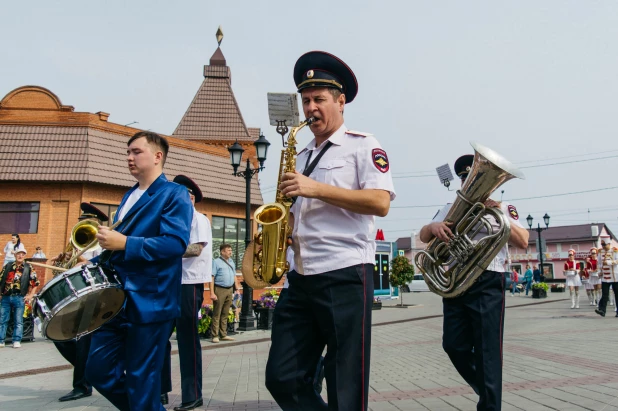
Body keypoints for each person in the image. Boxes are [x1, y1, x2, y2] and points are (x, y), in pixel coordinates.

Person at [265, 51, 395, 411]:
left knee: (345, 381)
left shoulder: (363, 145)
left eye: (319, 99)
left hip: (345, 273)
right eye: (306, 101)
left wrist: (315, 188)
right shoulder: (302, 155)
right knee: (282, 377)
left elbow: (380, 203)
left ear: (340, 101)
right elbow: (294, 210)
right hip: (301, 277)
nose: (310, 108)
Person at [84, 131, 193, 411]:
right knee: (98, 371)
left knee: (141, 381)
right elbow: (120, 248)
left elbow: (174, 243)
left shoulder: (174, 193)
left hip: (152, 301)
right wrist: (95, 262)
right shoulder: (130, 194)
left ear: (158, 157)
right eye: (128, 152)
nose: (129, 157)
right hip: (117, 300)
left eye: (136, 152)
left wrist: (124, 243)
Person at [419, 153, 529, 411]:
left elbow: (523, 240)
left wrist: (495, 210)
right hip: (456, 282)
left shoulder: (503, 207)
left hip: (488, 280)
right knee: (453, 346)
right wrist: (433, 227)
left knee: (487, 352)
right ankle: (489, 390)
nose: (469, 183)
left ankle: (490, 402)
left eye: (475, 178)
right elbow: (424, 235)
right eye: (466, 179)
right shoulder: (450, 207)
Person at [160, 175, 212, 411]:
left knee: (187, 339)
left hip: (189, 284)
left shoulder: (198, 219)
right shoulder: (171, 218)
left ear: (190, 197)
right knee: (159, 337)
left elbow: (195, 249)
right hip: (168, 281)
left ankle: (193, 394)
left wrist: (162, 249)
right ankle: (160, 389)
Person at [50, 203, 108, 402]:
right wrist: (62, 260)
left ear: (95, 223)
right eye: (81, 221)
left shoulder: (101, 241)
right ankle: (89, 371)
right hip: (75, 295)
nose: (82, 224)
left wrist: (83, 260)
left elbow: (101, 266)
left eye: (86, 221)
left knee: (83, 340)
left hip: (93, 296)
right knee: (59, 336)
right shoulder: (76, 240)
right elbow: (65, 268)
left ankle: (82, 385)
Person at [0, 243, 39, 348]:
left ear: (24, 256)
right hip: (6, 297)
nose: (20, 256)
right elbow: (1, 281)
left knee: (18, 320)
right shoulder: (8, 266)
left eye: (22, 254)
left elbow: (35, 283)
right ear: (15, 255)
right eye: (18, 254)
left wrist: (30, 295)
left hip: (19, 297)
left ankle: (16, 340)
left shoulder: (28, 267)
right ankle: (1, 340)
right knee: (2, 319)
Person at [210, 243, 236, 343]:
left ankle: (223, 334)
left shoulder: (232, 262)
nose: (230, 252)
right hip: (219, 289)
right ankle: (215, 335)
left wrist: (236, 288)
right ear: (222, 252)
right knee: (217, 313)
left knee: (225, 313)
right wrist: (212, 292)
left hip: (229, 289)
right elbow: (212, 277)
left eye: (231, 250)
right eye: (228, 250)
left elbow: (234, 276)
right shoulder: (216, 262)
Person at [595, 240, 618, 317]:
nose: (603, 247)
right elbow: (598, 263)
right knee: (605, 294)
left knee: (617, 294)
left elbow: (617, 261)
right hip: (605, 277)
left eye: (604, 245)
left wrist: (608, 263)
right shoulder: (600, 252)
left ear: (609, 244)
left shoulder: (615, 250)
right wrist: (599, 271)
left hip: (615, 276)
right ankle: (602, 310)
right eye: (602, 245)